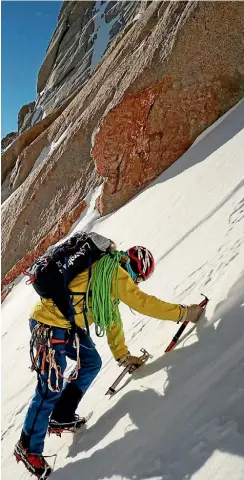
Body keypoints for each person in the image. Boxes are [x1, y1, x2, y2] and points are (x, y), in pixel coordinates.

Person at [14, 245, 203, 478]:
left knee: (91, 361)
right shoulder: (116, 273)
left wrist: (123, 355)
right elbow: (145, 304)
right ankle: (27, 447)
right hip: (48, 325)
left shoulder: (106, 272)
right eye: (138, 277)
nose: (135, 282)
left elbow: (110, 315)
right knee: (49, 388)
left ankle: (61, 415)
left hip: (64, 325)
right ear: (134, 269)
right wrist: (185, 313)